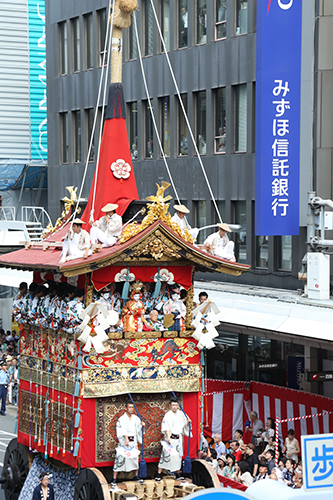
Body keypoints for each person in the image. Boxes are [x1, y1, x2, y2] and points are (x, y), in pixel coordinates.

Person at [156, 398, 191, 482]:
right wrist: (168, 436)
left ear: (178, 405)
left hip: (178, 438)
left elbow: (185, 425)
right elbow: (166, 427)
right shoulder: (167, 415)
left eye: (176, 405)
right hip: (170, 438)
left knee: (178, 457)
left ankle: (178, 473)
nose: (174, 407)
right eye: (173, 405)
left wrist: (188, 422)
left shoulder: (181, 414)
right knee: (165, 456)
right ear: (170, 406)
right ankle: (158, 474)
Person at [111, 401, 145, 486]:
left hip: (133, 441)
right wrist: (126, 439)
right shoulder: (122, 419)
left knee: (135, 458)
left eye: (132, 407)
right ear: (126, 408)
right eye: (129, 407)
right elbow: (121, 430)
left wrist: (141, 426)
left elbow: (138, 429)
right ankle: (114, 479)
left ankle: (136, 476)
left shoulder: (136, 418)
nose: (131, 409)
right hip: (124, 441)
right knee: (119, 459)